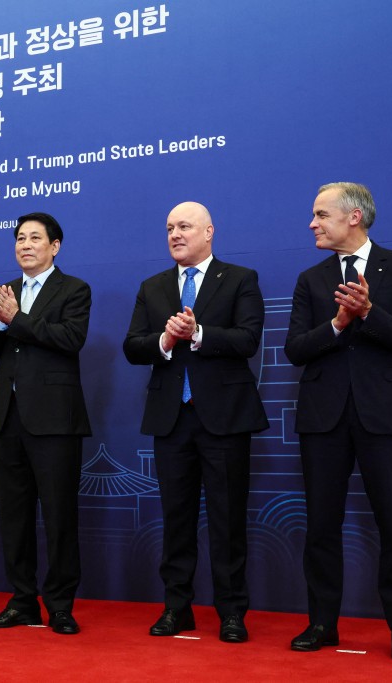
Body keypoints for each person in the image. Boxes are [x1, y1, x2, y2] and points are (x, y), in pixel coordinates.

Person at [284, 182, 392, 662]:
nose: (312, 223)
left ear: (353, 217)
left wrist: (369, 313)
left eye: (320, 214)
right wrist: (338, 325)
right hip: (324, 419)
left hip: (385, 416)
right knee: (322, 526)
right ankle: (322, 623)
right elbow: (296, 350)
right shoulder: (311, 278)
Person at [123, 202, 268, 643]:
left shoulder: (239, 279)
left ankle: (231, 612)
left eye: (184, 226)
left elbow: (248, 339)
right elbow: (133, 346)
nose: (175, 234)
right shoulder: (154, 286)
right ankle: (176, 608)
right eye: (169, 227)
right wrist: (165, 340)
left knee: (227, 520)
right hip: (172, 420)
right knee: (176, 519)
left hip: (223, 418)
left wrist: (199, 334)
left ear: (209, 231)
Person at [0, 212, 90, 635]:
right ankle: (22, 600)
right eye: (19, 238)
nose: (24, 245)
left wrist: (17, 318)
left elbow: (69, 340)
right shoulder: (6, 292)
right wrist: (2, 321)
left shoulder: (74, 289)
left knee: (59, 517)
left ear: (54, 246)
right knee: (14, 516)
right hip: (8, 418)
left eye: (34, 238)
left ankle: (60, 605)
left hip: (55, 421)